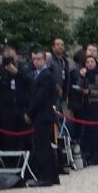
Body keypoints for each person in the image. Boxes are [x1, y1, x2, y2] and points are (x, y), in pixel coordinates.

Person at [26, 50, 61, 186]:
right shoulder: (39, 75)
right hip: (42, 115)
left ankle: (46, 177)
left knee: (42, 147)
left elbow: (41, 97)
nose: (36, 62)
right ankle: (51, 176)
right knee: (44, 146)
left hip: (43, 115)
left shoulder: (46, 75)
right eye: (34, 59)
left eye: (39, 59)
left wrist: (30, 112)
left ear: (45, 59)